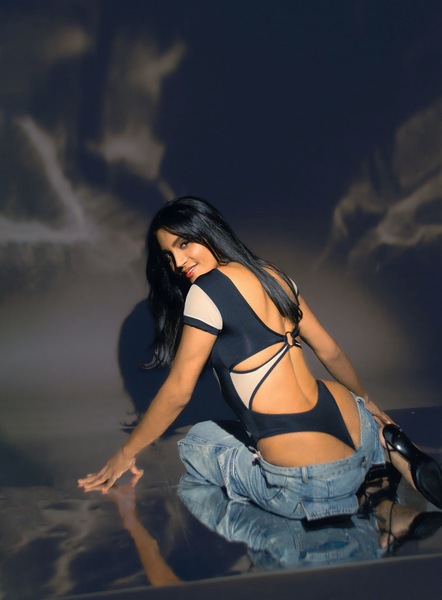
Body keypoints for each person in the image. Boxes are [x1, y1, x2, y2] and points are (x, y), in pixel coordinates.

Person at [78, 196, 442, 518]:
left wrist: (124, 453)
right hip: (356, 427)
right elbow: (329, 350)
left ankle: (349, 504)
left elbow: (178, 391)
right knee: (287, 412)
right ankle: (384, 448)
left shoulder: (206, 291)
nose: (179, 262)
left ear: (208, 231)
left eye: (184, 243)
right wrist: (368, 402)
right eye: (168, 256)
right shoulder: (273, 274)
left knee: (196, 442)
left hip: (312, 479)